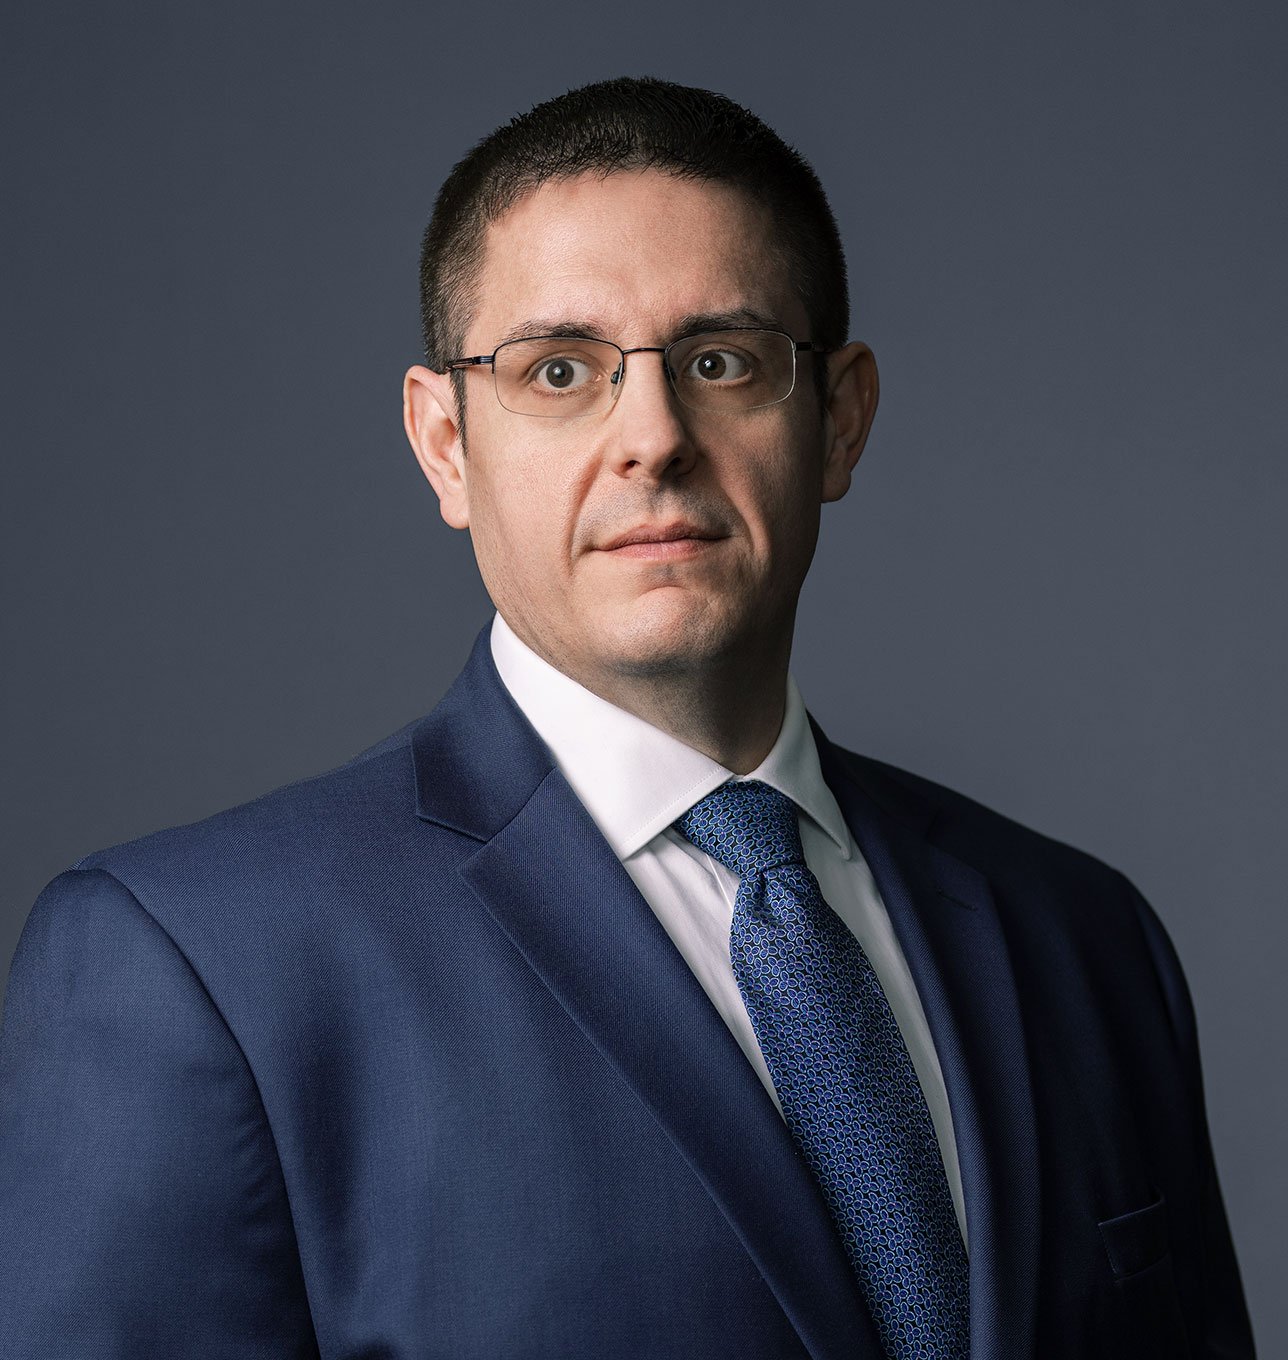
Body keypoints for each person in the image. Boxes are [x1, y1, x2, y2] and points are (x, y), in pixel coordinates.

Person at [0, 76, 1254, 1360]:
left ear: (839, 419)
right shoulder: (199, 968)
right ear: (444, 443)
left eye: (722, 361)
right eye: (558, 370)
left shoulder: (1084, 938)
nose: (653, 438)